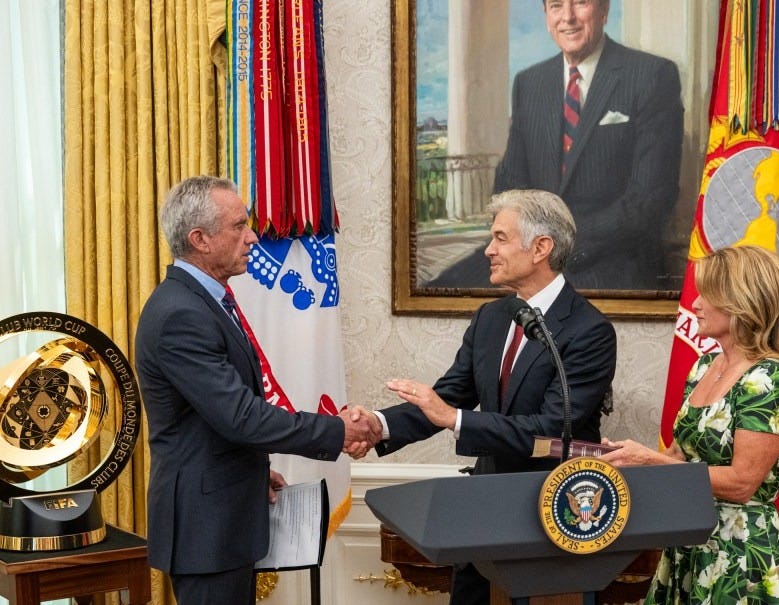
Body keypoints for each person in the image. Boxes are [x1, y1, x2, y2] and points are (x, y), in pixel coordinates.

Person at [354, 189, 617, 605]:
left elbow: (551, 429)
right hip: (485, 518)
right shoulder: (491, 318)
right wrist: (378, 425)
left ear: (540, 248)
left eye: (500, 238)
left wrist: (455, 419)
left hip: (555, 518)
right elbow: (449, 396)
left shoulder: (590, 331)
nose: (488, 250)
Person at [134, 176, 379, 605]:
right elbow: (241, 416)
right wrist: (338, 431)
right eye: (238, 226)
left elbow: (210, 422)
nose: (252, 237)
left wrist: (251, 474)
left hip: (225, 519)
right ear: (200, 239)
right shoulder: (180, 314)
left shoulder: (206, 301)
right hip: (205, 533)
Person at [428, 0, 683, 291]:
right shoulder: (529, 83)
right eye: (556, 5)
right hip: (530, 254)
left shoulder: (652, 76)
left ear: (604, 9)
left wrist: (552, 247)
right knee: (438, 290)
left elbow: (648, 202)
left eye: (580, 3)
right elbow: (510, 184)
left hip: (610, 260)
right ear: (546, 15)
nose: (567, 17)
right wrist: (524, 247)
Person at [600, 245, 779, 604]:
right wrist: (626, 459)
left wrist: (650, 459)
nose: (695, 304)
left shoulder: (768, 378)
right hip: (687, 542)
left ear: (739, 302)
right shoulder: (703, 367)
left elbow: (742, 483)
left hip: (739, 553)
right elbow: (678, 457)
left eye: (706, 295)